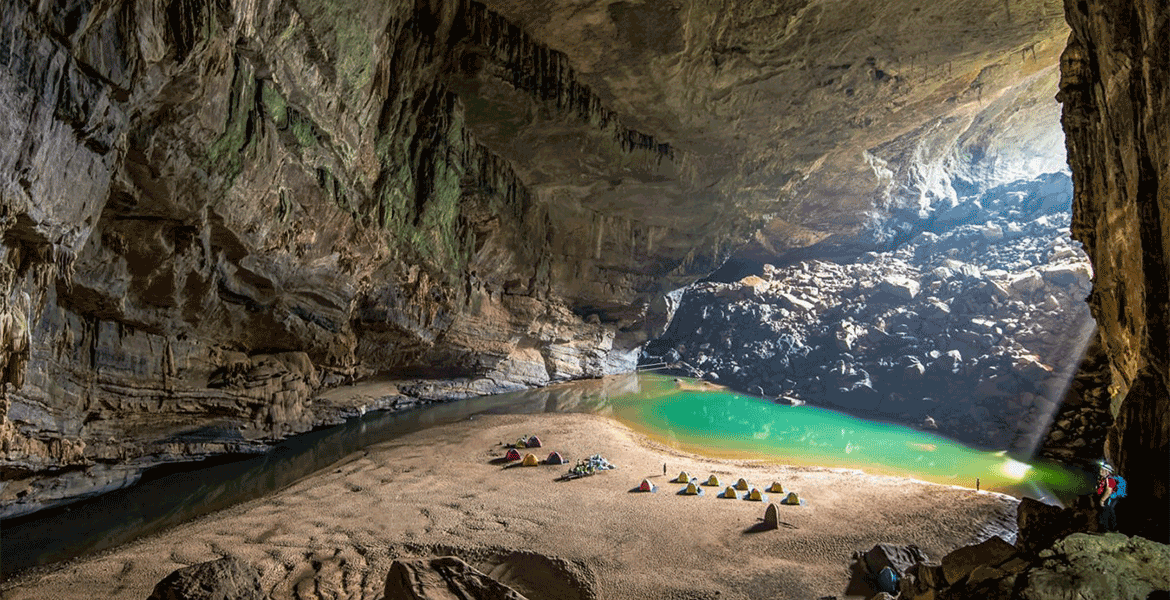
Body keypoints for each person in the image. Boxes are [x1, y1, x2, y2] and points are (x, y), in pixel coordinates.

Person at [1096, 461, 1119, 532]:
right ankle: (1112, 529)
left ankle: (1104, 530)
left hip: (1110, 497)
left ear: (1107, 472)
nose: (1101, 471)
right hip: (1106, 496)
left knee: (1106, 511)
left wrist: (1102, 500)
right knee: (1107, 511)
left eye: (1103, 470)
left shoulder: (1110, 479)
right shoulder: (1101, 478)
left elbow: (1109, 491)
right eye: (1101, 469)